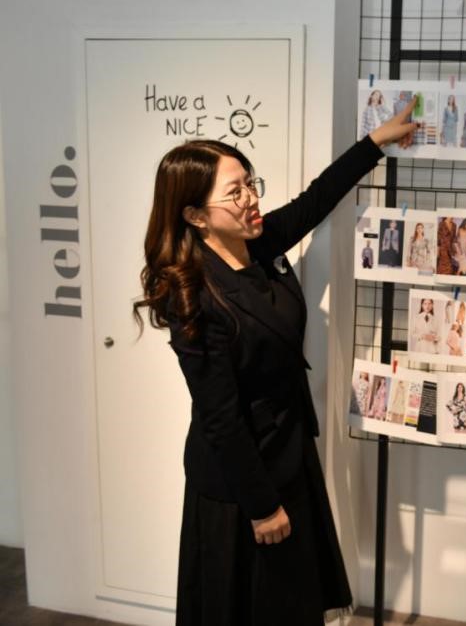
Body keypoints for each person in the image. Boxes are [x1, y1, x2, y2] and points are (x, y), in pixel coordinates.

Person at [133, 101, 417, 625]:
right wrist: (261, 506)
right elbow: (220, 417)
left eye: (250, 183)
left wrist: (375, 142)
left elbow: (314, 202)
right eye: (234, 192)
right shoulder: (192, 295)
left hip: (288, 454)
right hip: (242, 483)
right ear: (195, 216)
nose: (251, 198)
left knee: (292, 603)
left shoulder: (257, 244)